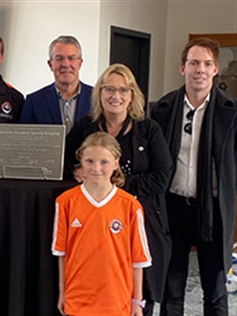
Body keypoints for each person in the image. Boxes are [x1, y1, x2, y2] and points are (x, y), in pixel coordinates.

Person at [66, 63, 173, 315]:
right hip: (94, 226)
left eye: (123, 90)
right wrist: (75, 171)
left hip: (141, 221)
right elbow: (64, 162)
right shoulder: (84, 128)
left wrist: (116, 185)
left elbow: (162, 176)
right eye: (110, 89)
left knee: (139, 294)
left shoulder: (149, 129)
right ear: (100, 94)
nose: (116, 96)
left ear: (132, 95)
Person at [151, 37, 237, 315]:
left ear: (215, 70)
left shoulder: (231, 113)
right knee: (171, 287)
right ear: (182, 68)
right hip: (173, 207)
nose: (200, 69)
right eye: (194, 63)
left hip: (212, 209)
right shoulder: (162, 110)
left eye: (207, 63)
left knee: (215, 290)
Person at [52, 132, 152, 316]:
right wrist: (62, 292)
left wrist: (137, 300)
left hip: (116, 299)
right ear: (80, 160)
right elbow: (62, 254)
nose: (96, 168)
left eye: (104, 162)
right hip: (78, 298)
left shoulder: (130, 205)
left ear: (116, 163)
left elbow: (138, 259)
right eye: (89, 161)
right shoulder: (65, 202)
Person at [20, 35, 92, 134]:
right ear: (50, 64)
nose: (66, 64)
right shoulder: (34, 102)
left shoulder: (97, 98)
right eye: (59, 59)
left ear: (80, 63)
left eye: (71, 58)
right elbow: (26, 143)